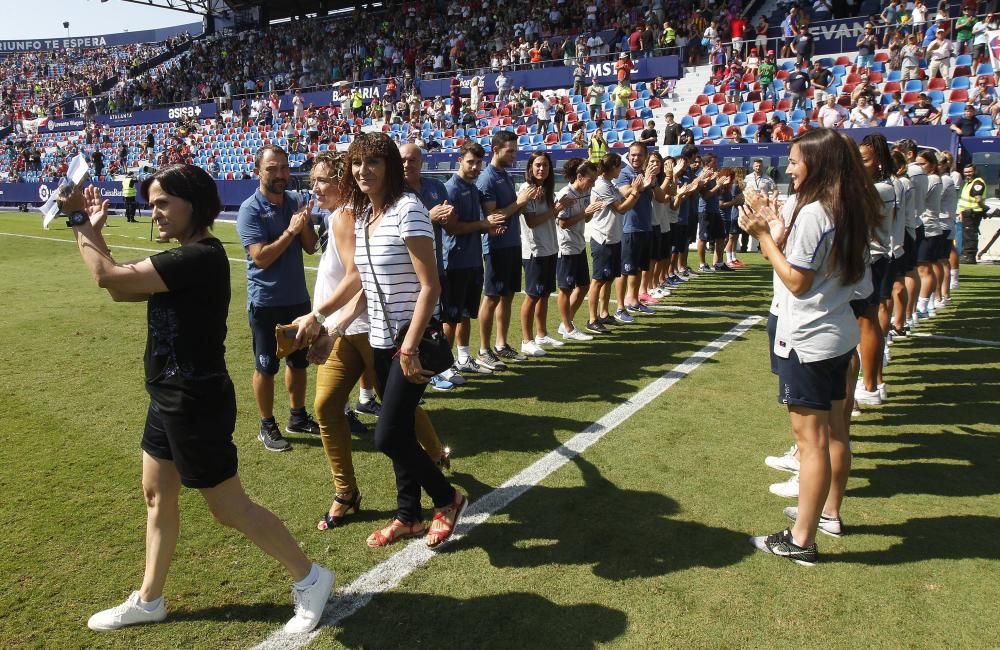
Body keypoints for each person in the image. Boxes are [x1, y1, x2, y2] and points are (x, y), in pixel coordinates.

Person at [66, 166, 333, 634]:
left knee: (228, 508)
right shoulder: (184, 256)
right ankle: (150, 599)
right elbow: (121, 289)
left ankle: (310, 579)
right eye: (151, 204)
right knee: (156, 494)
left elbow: (108, 278)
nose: (155, 212)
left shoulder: (202, 257)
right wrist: (92, 234)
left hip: (194, 399)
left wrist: (79, 225)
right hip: (167, 394)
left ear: (194, 203)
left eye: (163, 203)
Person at [304, 132, 467, 549]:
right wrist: (324, 319)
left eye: (373, 162)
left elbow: (430, 288)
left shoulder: (408, 210)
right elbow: (361, 284)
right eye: (357, 163)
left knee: (388, 436)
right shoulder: (364, 216)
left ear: (391, 167)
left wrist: (409, 347)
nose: (363, 171)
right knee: (398, 433)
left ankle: (447, 499)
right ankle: (408, 516)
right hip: (378, 339)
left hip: (407, 342)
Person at [742, 128, 878, 566]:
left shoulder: (819, 212)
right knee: (835, 432)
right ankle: (824, 514)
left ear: (817, 164)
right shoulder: (849, 206)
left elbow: (797, 282)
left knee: (812, 440)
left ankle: (802, 539)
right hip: (836, 333)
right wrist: (780, 232)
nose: (791, 168)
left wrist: (763, 234)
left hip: (809, 338)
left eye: (797, 160)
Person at [236, 145, 320, 452]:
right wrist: (290, 230)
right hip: (266, 302)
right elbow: (260, 258)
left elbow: (311, 247)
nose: (280, 175)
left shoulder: (296, 201)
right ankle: (266, 425)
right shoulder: (250, 209)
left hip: (297, 299)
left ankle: (297, 417)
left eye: (284, 168)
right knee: (266, 366)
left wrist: (305, 223)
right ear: (258, 170)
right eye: (272, 169)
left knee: (299, 363)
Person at [476, 131, 540, 370]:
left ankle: (501, 344)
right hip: (495, 247)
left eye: (515, 150)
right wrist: (521, 202)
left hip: (512, 243)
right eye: (509, 151)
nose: (514, 155)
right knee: (491, 297)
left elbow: (512, 210)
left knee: (508, 296)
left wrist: (528, 201)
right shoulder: (487, 179)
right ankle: (484, 349)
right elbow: (493, 217)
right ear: (496, 150)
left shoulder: (503, 174)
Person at [400, 143, 461, 391]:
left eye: (412, 160)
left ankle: (434, 369)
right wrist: (429, 216)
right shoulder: (393, 191)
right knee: (410, 323)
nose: (407, 164)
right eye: (403, 160)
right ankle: (416, 373)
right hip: (406, 271)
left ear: (421, 162)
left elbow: (451, 226)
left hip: (436, 265)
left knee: (433, 322)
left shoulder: (436, 187)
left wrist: (449, 215)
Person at [443, 142, 498, 375]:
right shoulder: (451, 189)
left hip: (473, 260)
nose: (475, 167)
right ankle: (443, 367)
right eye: (471, 162)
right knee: (450, 318)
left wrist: (489, 227)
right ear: (460, 161)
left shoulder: (473, 189)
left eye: (478, 163)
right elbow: (452, 227)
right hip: (455, 262)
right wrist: (483, 224)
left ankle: (463, 358)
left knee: (466, 314)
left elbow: (475, 225)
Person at [517, 151, 570, 356]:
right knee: (532, 295)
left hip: (550, 248)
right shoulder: (526, 190)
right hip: (534, 251)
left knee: (544, 294)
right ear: (530, 167)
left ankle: (541, 334)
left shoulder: (547, 190)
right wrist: (556, 209)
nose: (541, 169)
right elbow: (531, 221)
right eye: (538, 165)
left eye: (545, 165)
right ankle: (526, 340)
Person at [586, 152, 643, 332]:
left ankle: (604, 314)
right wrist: (635, 192)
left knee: (608, 278)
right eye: (619, 166)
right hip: (603, 238)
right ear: (613, 167)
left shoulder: (610, 185)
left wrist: (634, 192)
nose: (621, 169)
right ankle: (592, 319)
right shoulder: (602, 186)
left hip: (613, 237)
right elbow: (621, 209)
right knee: (598, 280)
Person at [555, 158, 602, 340]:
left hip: (579, 244)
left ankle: (566, 323)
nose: (593, 183)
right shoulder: (566, 194)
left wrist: (591, 212)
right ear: (580, 176)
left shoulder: (586, 192)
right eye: (591, 179)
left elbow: (585, 219)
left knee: (583, 286)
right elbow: (563, 223)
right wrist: (585, 212)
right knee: (565, 289)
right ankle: (568, 327)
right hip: (566, 247)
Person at [958, 163, 988, 263]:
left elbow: (978, 199)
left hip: (973, 213)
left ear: (975, 171)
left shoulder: (977, 183)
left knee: (970, 235)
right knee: (967, 235)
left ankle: (969, 257)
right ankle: (966, 255)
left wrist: (984, 208)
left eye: (970, 172)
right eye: (965, 172)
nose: (967, 174)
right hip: (968, 213)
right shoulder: (969, 182)